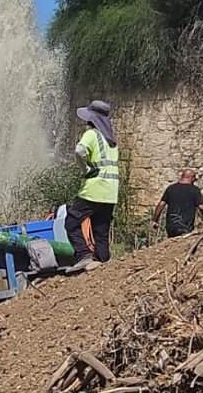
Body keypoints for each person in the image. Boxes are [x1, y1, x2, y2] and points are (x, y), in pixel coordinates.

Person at [64, 100, 119, 274]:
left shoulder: (92, 134)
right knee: (101, 230)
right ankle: (103, 265)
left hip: (94, 188)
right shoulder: (111, 140)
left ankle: (83, 255)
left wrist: (86, 169)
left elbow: (79, 151)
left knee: (71, 222)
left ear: (92, 119)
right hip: (110, 193)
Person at [151, 169, 203, 238]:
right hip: (186, 227)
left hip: (171, 227)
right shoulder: (194, 190)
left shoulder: (171, 188)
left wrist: (155, 220)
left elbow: (161, 205)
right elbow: (201, 208)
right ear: (192, 178)